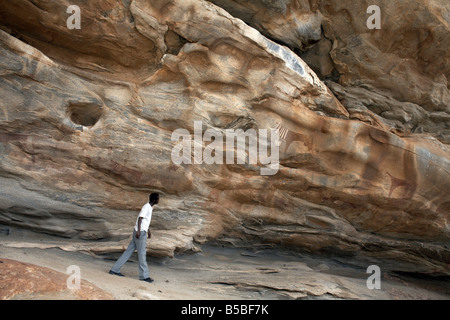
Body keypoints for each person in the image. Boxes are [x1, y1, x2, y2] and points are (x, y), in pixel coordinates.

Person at [109, 193, 159, 283]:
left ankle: (114, 269)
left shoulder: (150, 208)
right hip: (140, 233)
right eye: (158, 199)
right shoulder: (147, 207)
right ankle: (144, 276)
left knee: (128, 251)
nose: (159, 200)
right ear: (154, 200)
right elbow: (140, 219)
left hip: (141, 231)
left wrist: (149, 231)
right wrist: (139, 231)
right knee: (142, 254)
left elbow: (145, 221)